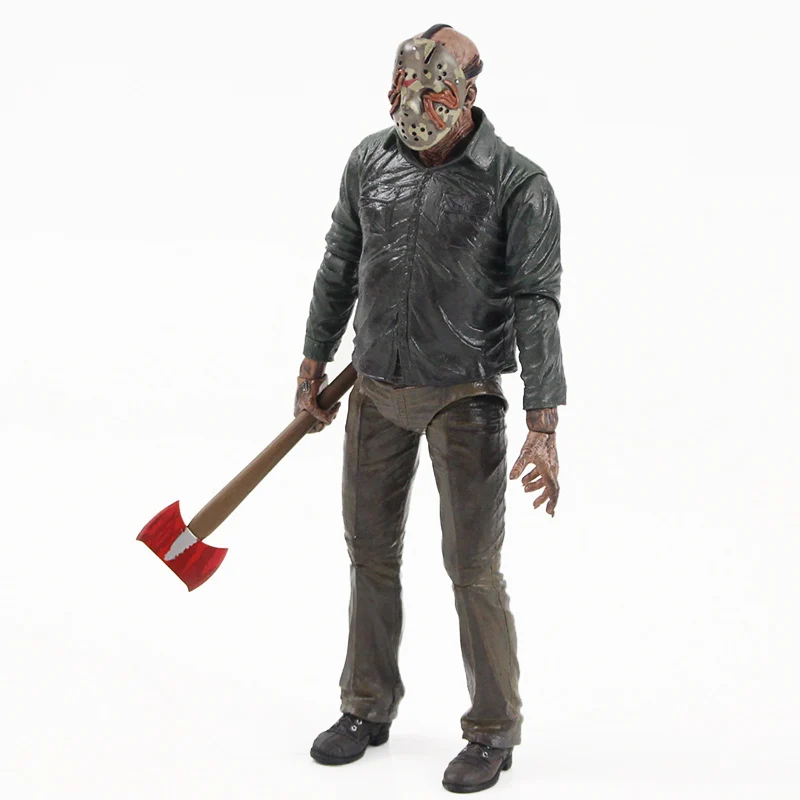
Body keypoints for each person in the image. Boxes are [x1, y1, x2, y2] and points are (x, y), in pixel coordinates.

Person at [294, 23, 566, 794]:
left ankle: (493, 728)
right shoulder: (369, 161)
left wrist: (543, 421)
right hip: (374, 388)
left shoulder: (518, 184)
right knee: (368, 552)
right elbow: (339, 262)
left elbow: (537, 301)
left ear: (468, 94)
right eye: (405, 96)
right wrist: (313, 360)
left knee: (472, 568)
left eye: (434, 98)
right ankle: (365, 704)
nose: (417, 112)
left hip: (464, 396)